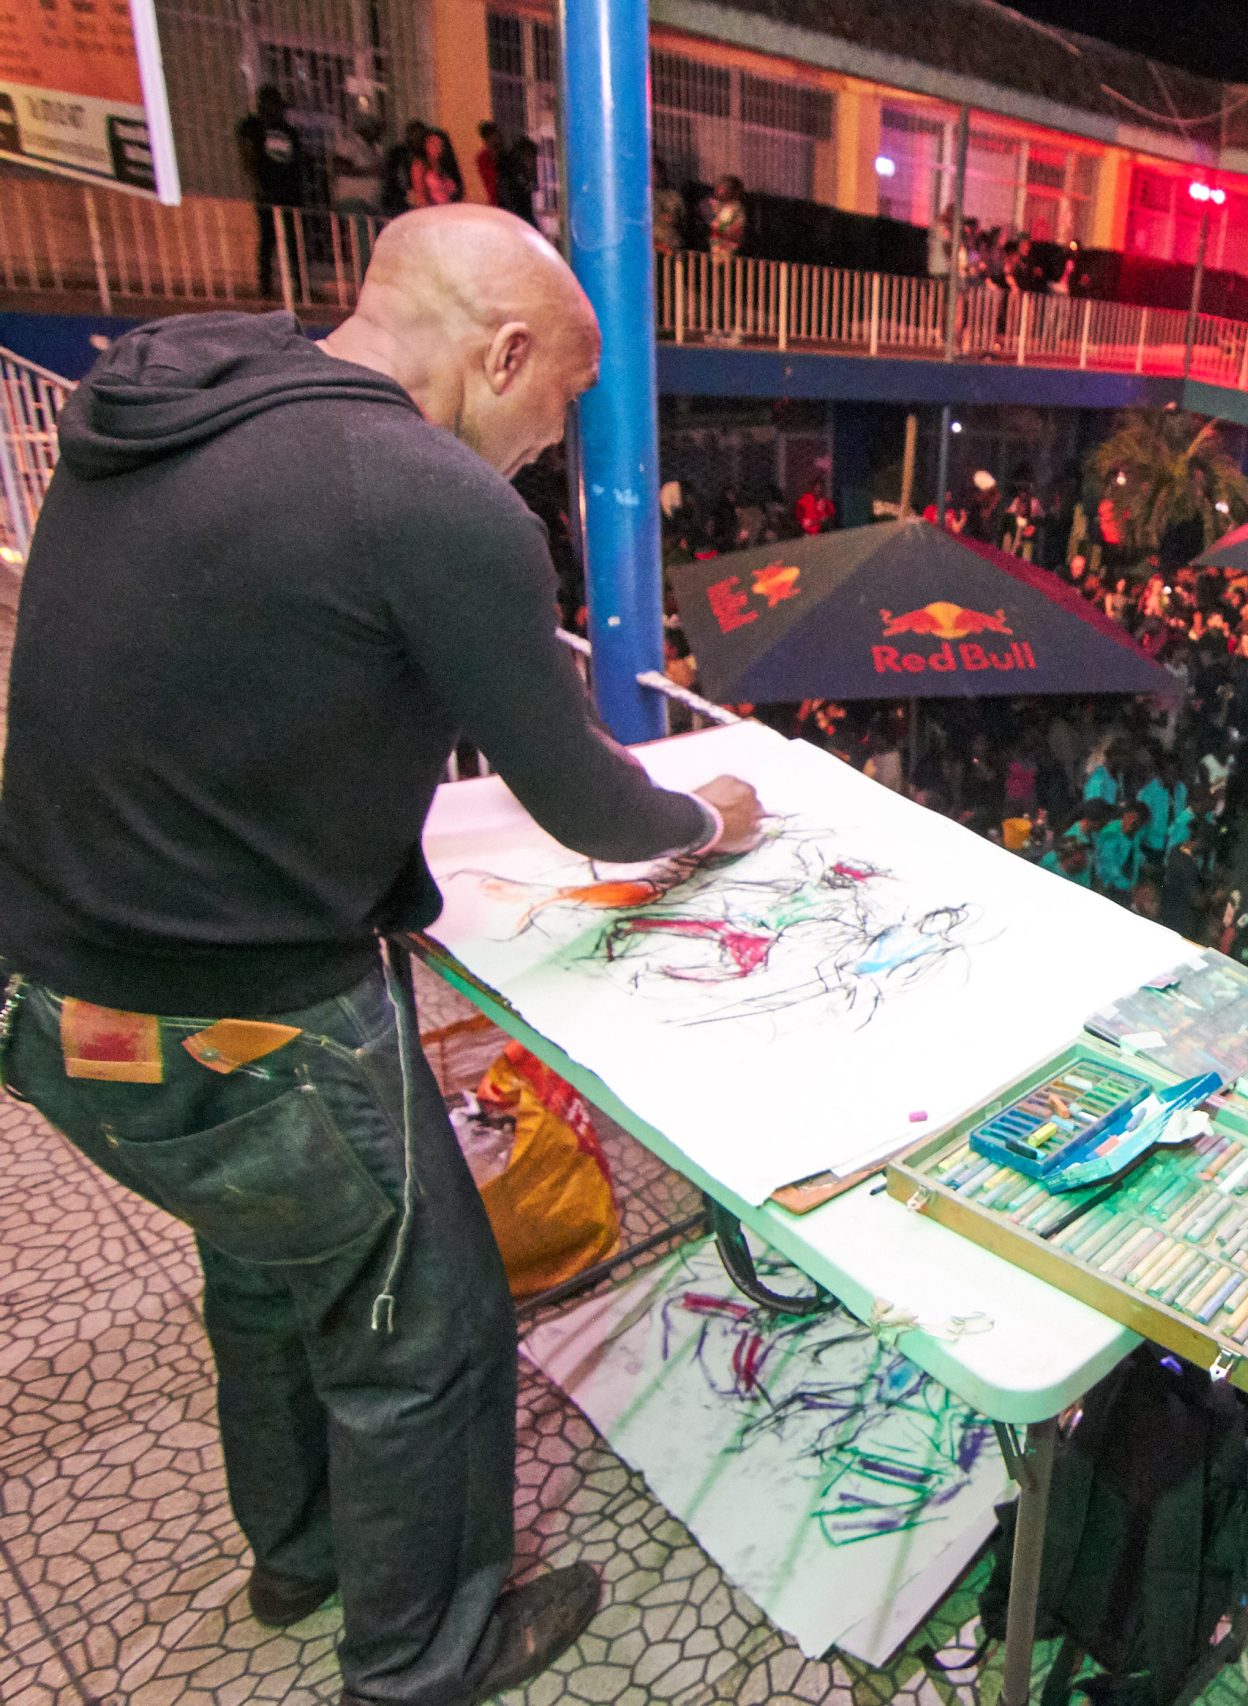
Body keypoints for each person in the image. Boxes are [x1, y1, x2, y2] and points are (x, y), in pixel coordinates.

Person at [0, 206, 764, 1702]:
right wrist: (704, 815)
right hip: (240, 1026)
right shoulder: (429, 497)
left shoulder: (174, 407)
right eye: (560, 405)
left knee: (273, 1256)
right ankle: (424, 1654)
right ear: (505, 351)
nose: (553, 443)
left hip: (50, 1000)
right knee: (424, 1323)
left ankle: (299, 1550)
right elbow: (590, 801)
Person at [237, 85, 309, 300]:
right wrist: (258, 185)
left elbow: (296, 163)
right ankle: (265, 285)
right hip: (268, 192)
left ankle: (298, 286)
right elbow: (248, 156)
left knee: (293, 240)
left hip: (290, 192)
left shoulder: (288, 131)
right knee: (268, 238)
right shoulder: (253, 127)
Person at [408, 127, 465, 208]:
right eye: (432, 143)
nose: (436, 147)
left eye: (439, 144)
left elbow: (456, 191)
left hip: (449, 209)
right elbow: (420, 195)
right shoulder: (420, 165)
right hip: (431, 211)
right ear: (425, 144)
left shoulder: (445, 165)